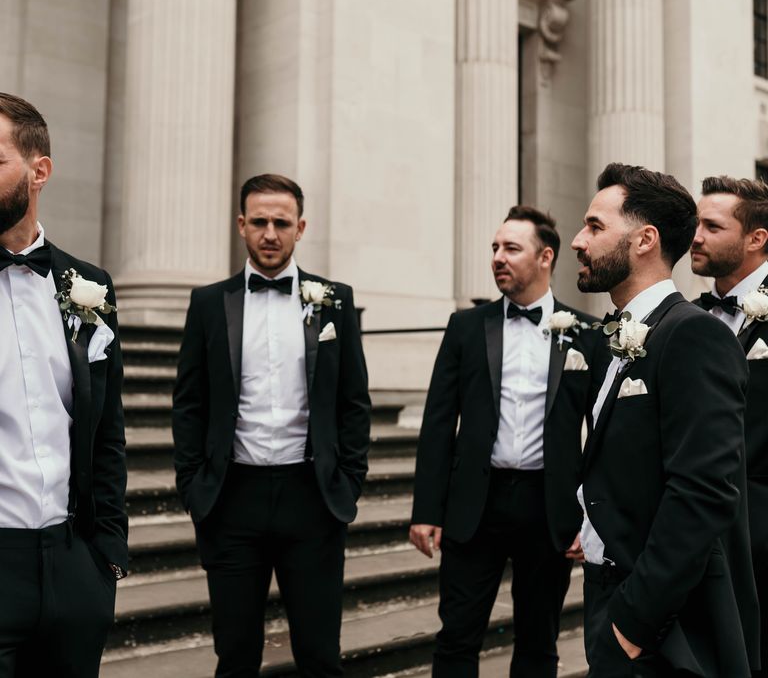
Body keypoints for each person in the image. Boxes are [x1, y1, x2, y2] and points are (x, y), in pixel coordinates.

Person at [172, 173, 371, 677]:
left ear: (300, 228)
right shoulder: (208, 304)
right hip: (231, 498)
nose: (270, 233)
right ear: (241, 225)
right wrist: (194, 487)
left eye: (281, 222)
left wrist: (348, 479)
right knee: (235, 654)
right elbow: (189, 403)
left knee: (320, 653)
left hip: (312, 498)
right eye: (258, 221)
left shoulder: (335, 301)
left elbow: (354, 402)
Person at [572, 163, 759, 677]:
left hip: (662, 622)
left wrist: (632, 626)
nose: (576, 241)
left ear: (644, 240)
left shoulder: (693, 336)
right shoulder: (616, 338)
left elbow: (704, 492)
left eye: (594, 226)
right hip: (608, 591)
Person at [410, 206, 607, 677]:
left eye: (511, 249)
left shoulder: (587, 335)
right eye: (495, 248)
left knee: (539, 642)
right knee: (457, 636)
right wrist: (425, 510)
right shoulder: (465, 327)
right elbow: (438, 421)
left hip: (549, 507)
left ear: (545, 258)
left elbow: (603, 434)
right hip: (476, 503)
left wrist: (592, 516)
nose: (498, 257)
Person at [0, 92, 127, 676]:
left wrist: (106, 559)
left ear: (38, 170)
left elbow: (108, 431)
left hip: (73, 564)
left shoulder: (89, 286)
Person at [691, 175, 768, 677]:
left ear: (756, 238)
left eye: (711, 226)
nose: (694, 236)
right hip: (698, 534)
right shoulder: (691, 317)